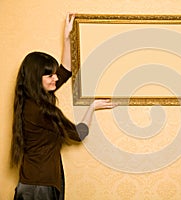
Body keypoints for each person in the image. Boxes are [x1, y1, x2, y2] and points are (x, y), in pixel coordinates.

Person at [10, 14, 117, 200]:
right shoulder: (40, 110)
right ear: (37, 78)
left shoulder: (31, 98)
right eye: (50, 76)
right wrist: (91, 107)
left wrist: (67, 38)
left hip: (33, 184)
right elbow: (78, 134)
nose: (56, 78)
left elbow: (65, 71)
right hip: (39, 188)